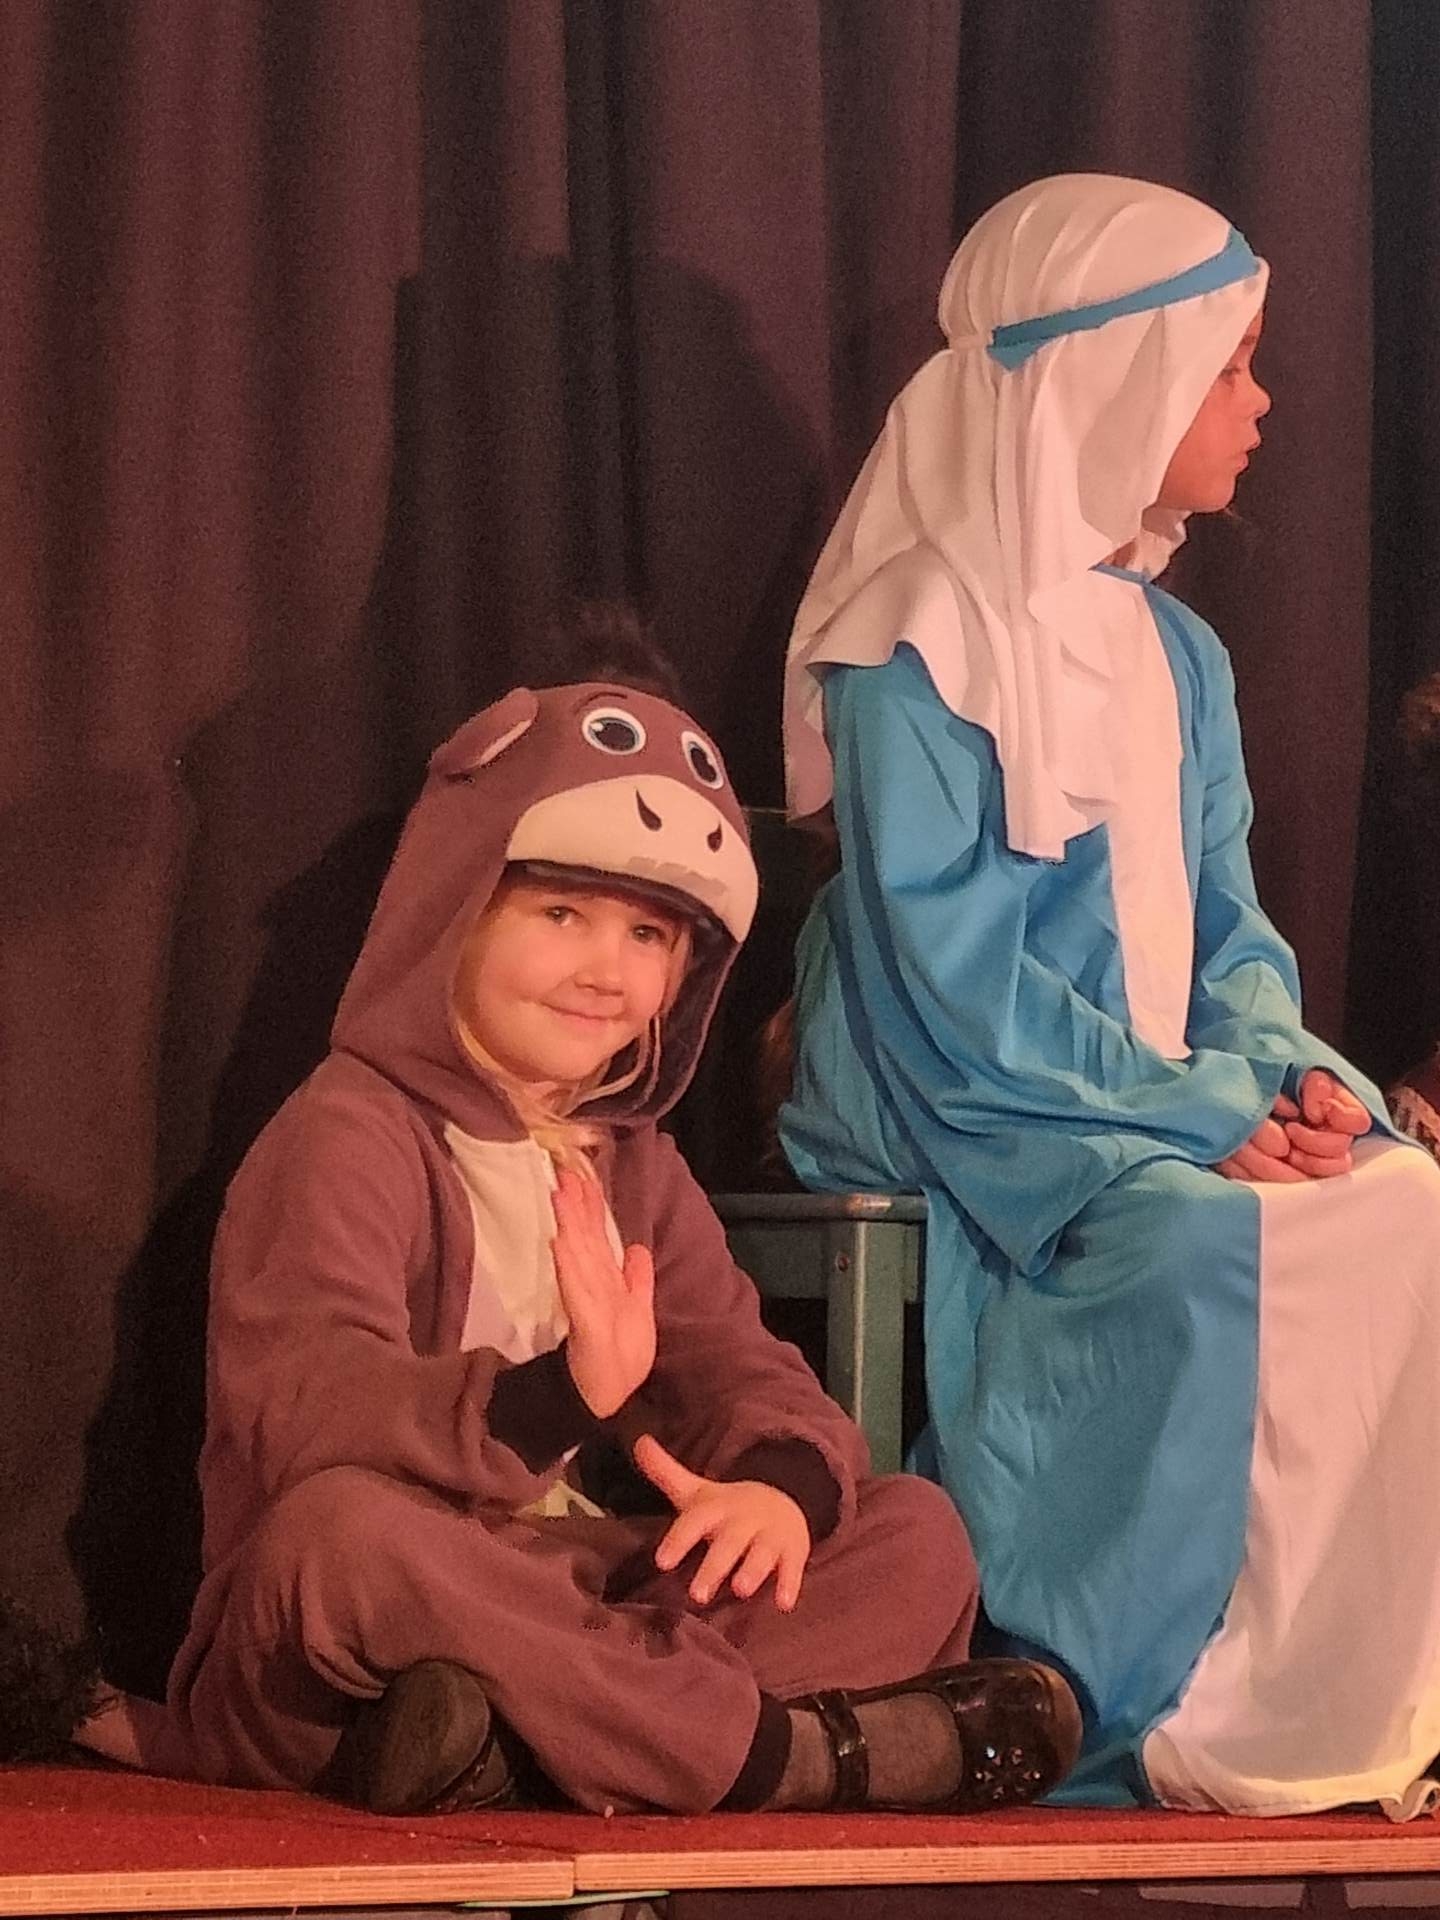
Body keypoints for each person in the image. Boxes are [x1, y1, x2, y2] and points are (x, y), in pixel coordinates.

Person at [63, 672, 1080, 1817]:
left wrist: (776, 1490)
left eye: (648, 934)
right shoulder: (349, 1129)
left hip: (562, 1600)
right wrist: (553, 1396)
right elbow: (299, 1408)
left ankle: (515, 1747)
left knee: (914, 1531)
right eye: (561, 916)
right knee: (340, 1540)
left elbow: (737, 1363)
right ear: (456, 910)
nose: (607, 970)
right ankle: (782, 1758)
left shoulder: (628, 1160)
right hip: (379, 1605)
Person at [779, 173, 1440, 1819]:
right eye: (1231, 367)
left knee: (1403, 1196)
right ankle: (1104, 1695)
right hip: (967, 1094)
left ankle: (1321, 1687)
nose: (1261, 406)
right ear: (1113, 381)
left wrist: (1290, 1083)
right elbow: (953, 977)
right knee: (1198, 1241)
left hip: (1154, 1100)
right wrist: (1202, 1114)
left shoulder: (1180, 659)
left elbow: (1230, 937)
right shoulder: (912, 650)